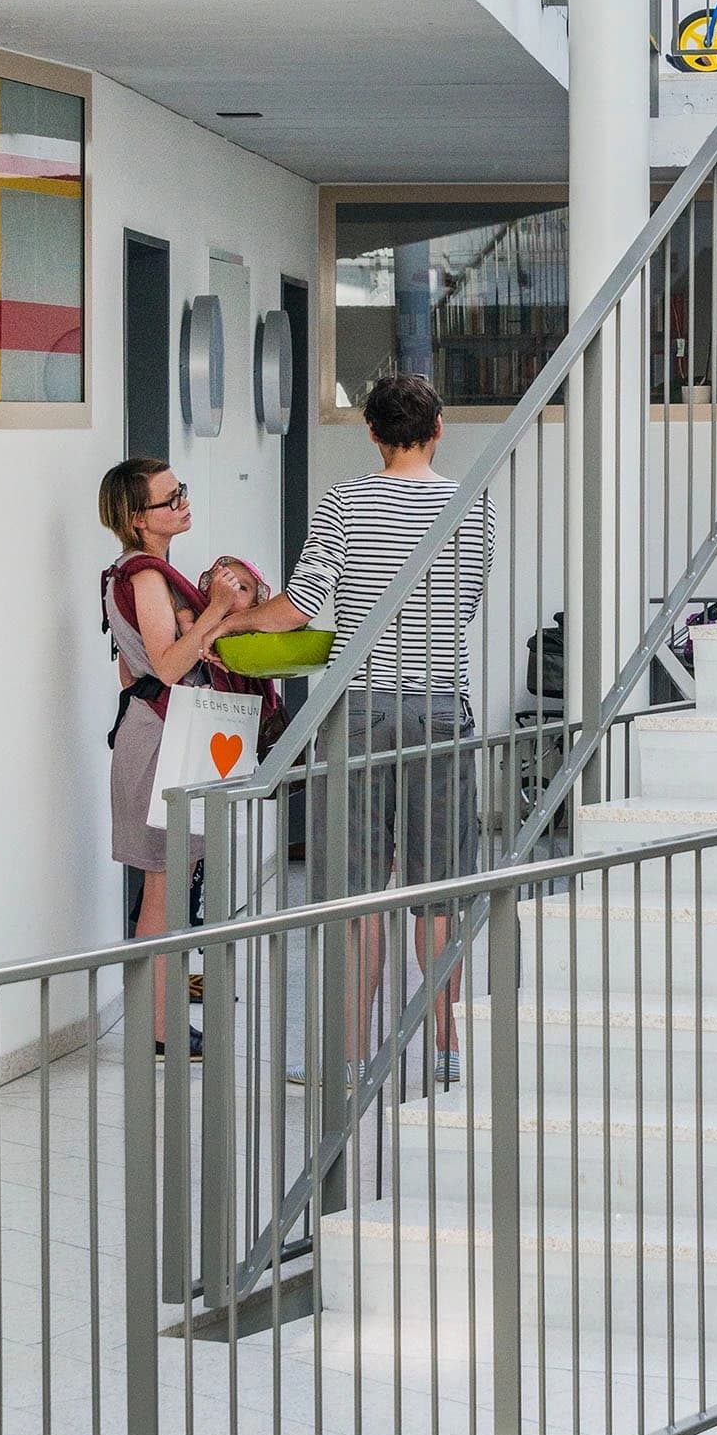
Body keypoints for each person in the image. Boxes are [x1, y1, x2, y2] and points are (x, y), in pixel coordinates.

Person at [225, 371, 495, 1086]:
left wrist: (229, 621)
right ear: (438, 430)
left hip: (361, 707)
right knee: (437, 888)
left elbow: (298, 609)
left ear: (371, 434)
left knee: (357, 891)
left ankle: (345, 1059)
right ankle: (446, 1051)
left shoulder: (345, 502)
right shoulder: (474, 506)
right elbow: (463, 604)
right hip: (440, 704)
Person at [97, 463, 249, 1052]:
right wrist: (215, 611)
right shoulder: (144, 578)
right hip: (161, 739)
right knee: (164, 886)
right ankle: (158, 1029)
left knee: (168, 882)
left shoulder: (131, 576)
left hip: (153, 732)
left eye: (181, 490)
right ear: (139, 518)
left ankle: (158, 1022)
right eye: (171, 499)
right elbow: (164, 665)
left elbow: (130, 668)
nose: (184, 502)